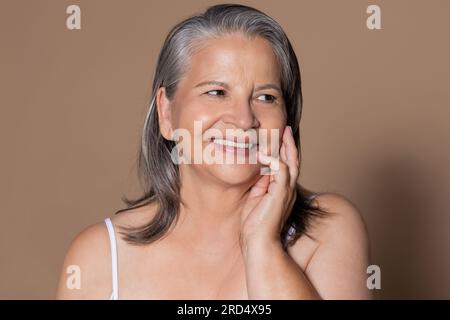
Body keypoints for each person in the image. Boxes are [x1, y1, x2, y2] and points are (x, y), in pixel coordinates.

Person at [56, 3, 371, 300]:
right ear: (166, 113)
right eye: (217, 92)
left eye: (266, 97)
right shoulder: (97, 258)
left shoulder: (329, 229)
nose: (244, 119)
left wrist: (262, 245)